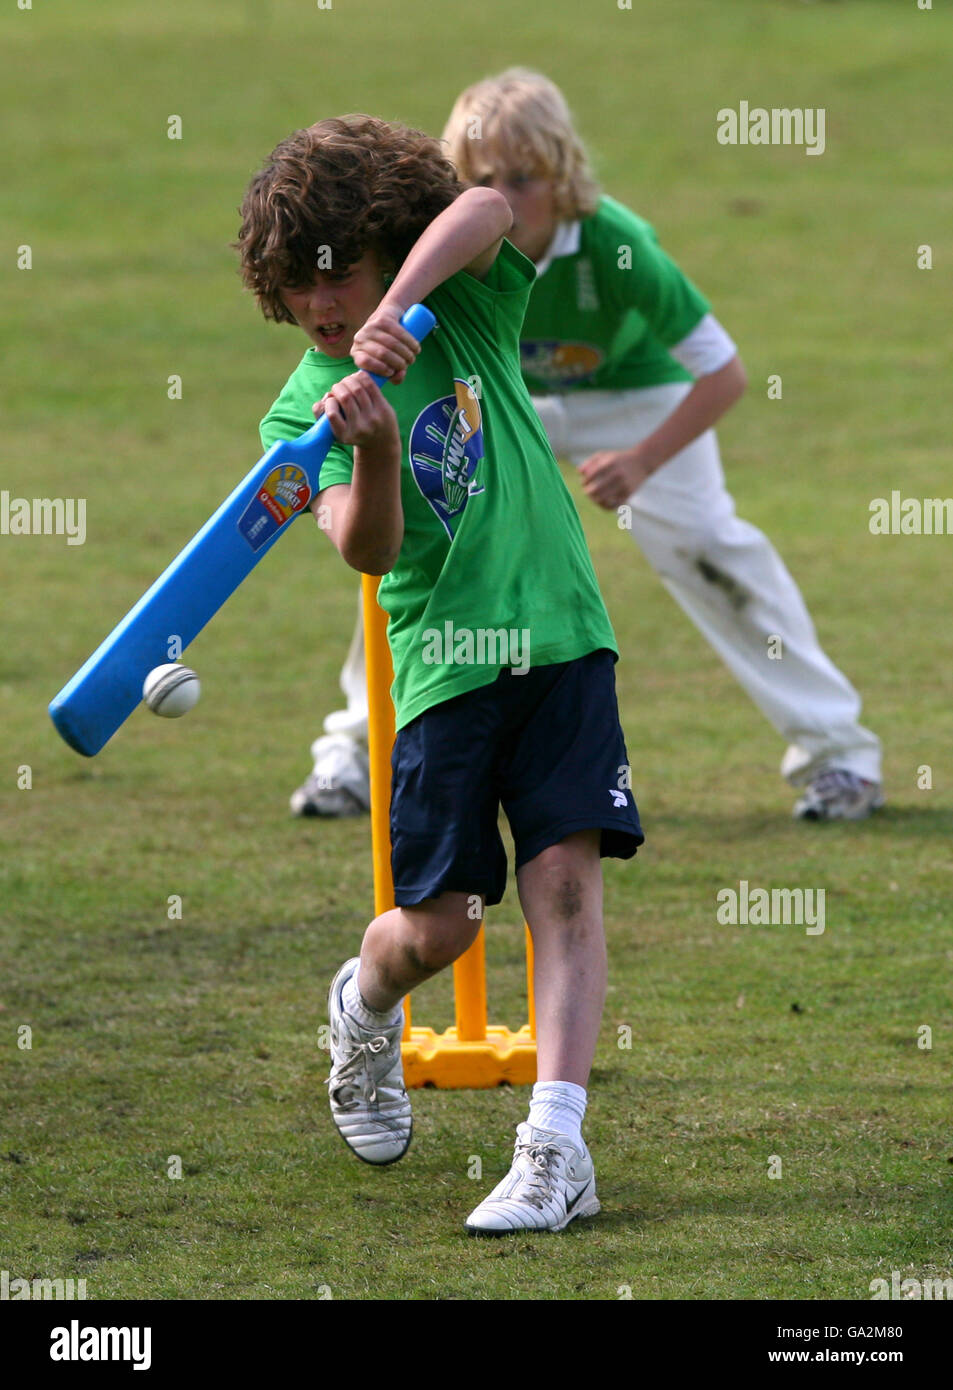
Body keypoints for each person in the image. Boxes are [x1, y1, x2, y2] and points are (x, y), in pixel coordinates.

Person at [237, 115, 644, 1233]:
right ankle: (363, 1006)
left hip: (560, 633)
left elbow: (489, 209)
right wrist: (366, 439)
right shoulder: (294, 413)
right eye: (300, 288)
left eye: (343, 273)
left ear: (381, 244)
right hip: (441, 676)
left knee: (564, 884)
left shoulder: (459, 303)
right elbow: (364, 554)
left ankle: (555, 1147)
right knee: (441, 928)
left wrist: (393, 309)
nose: (327, 305)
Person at [293, 69, 883, 824]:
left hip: (631, 400)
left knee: (708, 545)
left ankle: (838, 755)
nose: (508, 192)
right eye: (482, 176)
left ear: (564, 171)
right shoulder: (434, 255)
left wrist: (642, 461)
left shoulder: (615, 245)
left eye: (526, 177)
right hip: (494, 399)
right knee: (410, 536)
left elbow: (724, 373)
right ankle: (353, 750)